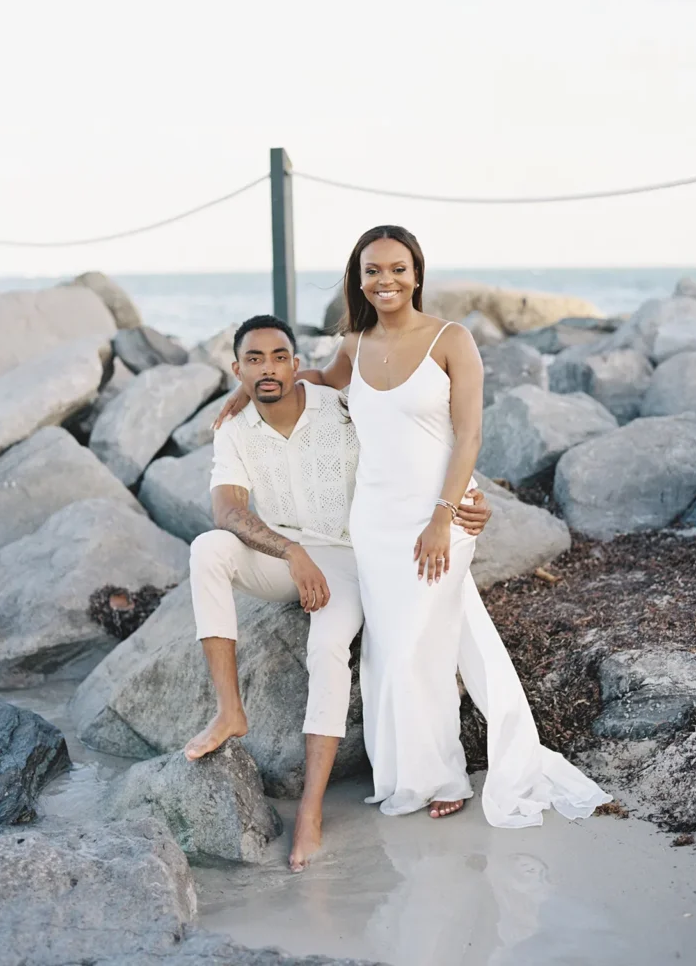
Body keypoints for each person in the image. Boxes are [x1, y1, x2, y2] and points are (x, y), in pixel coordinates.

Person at [218, 226, 610, 826]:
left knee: (413, 649)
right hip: (373, 518)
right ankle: (402, 774)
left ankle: (441, 775)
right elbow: (316, 380)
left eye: (397, 268)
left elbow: (470, 436)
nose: (386, 280)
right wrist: (249, 391)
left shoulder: (452, 340)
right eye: (372, 270)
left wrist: (445, 516)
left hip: (439, 513)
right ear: (360, 279)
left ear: (417, 274)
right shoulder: (355, 342)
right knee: (391, 650)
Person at [185, 314, 492, 872]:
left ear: (297, 363)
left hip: (349, 558)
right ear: (236, 370)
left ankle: (310, 811)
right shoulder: (232, 428)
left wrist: (467, 498)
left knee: (327, 646)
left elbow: (420, 438)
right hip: (284, 556)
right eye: (253, 360)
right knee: (208, 547)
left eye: (279, 356)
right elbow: (228, 510)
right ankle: (230, 711)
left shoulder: (342, 406)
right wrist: (292, 554)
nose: (268, 368)